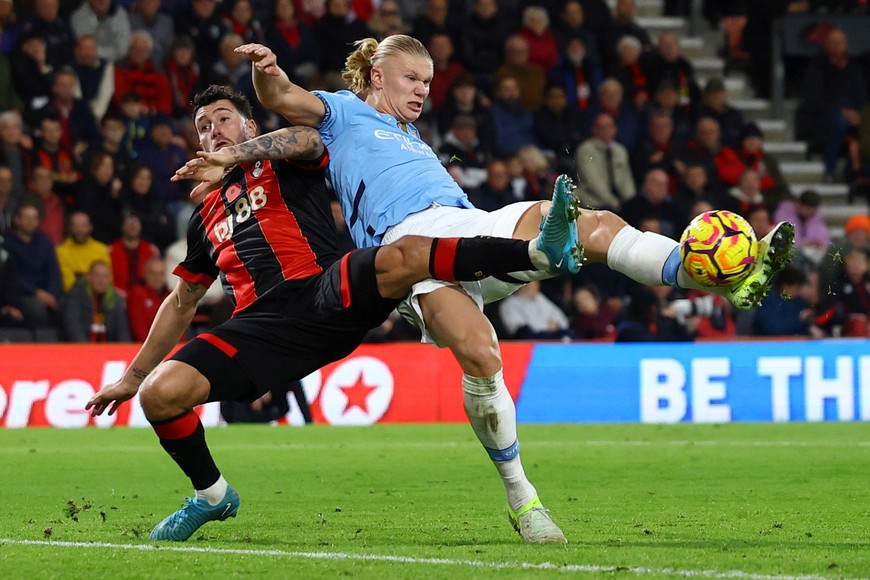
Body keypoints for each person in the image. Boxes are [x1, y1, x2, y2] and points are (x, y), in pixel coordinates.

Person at [233, 35, 795, 544]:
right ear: (378, 76)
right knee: (480, 354)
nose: (423, 91)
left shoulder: (411, 137)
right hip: (410, 251)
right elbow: (282, 96)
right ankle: (523, 498)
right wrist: (266, 67)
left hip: (472, 228)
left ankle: (729, 280)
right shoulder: (345, 112)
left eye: (429, 82)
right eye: (412, 79)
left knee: (597, 225)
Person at [85, 84, 582, 542]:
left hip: (326, 290)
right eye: (202, 126)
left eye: (223, 119)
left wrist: (235, 157)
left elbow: (307, 138)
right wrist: (133, 377)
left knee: (406, 252)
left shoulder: (278, 162)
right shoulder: (203, 217)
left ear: (251, 128)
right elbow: (182, 301)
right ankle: (212, 496)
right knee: (161, 395)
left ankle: (537, 254)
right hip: (263, 328)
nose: (212, 131)